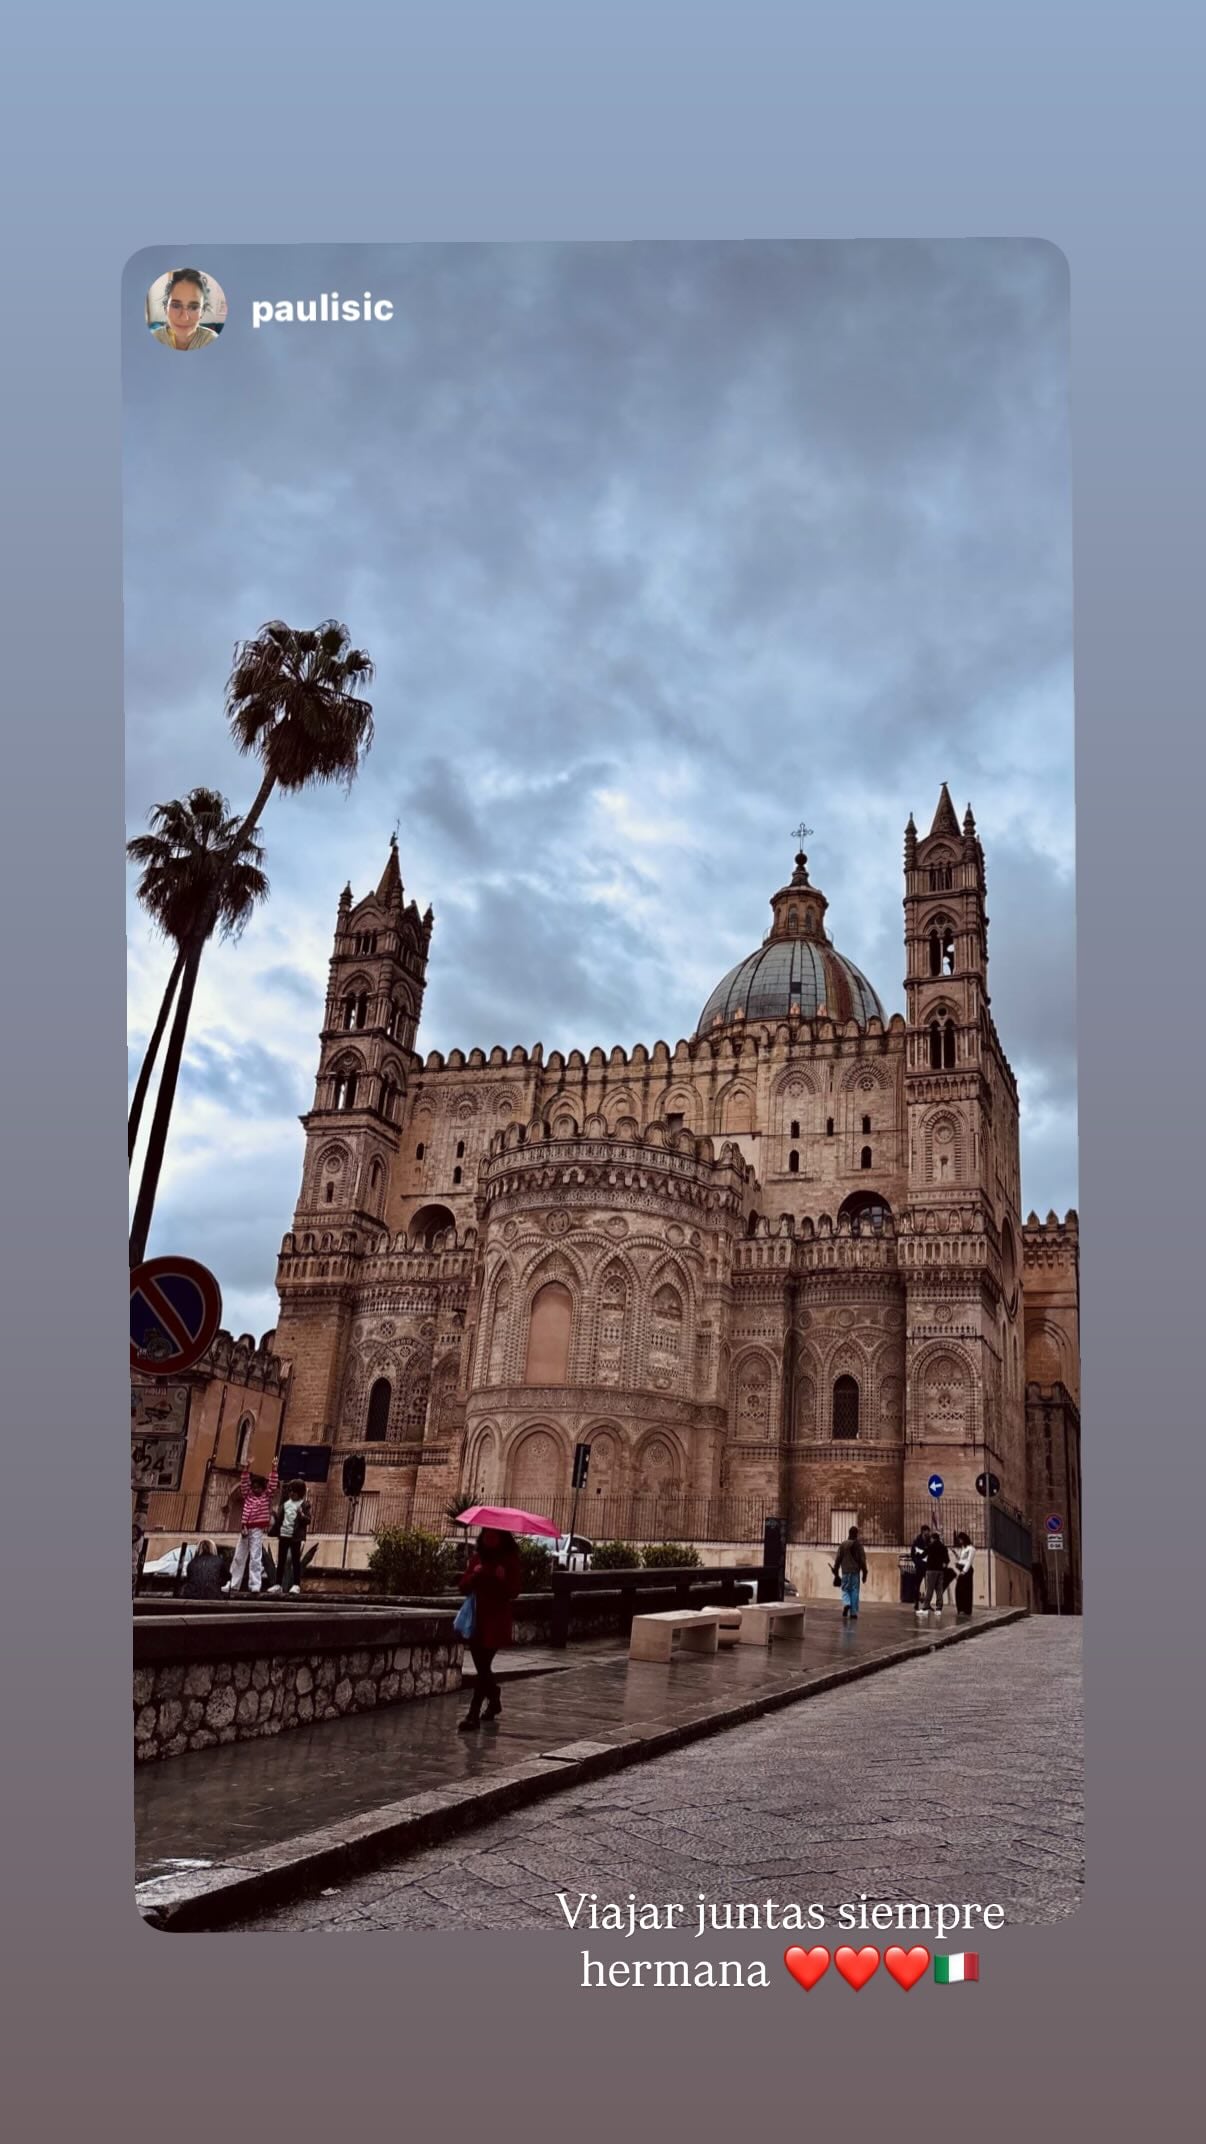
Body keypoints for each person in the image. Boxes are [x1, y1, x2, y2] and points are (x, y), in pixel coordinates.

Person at [457, 1527, 522, 1729]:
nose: (490, 1538)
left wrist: (503, 1579)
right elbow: (463, 1587)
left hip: (496, 1622)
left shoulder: (509, 1560)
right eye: (487, 1534)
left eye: (494, 1535)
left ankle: (473, 1713)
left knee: (484, 1665)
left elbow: (514, 1590)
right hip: (477, 1619)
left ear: (501, 1538)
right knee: (482, 1667)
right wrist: (474, 1575)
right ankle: (494, 1697)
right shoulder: (478, 1558)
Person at [221, 1459, 278, 1595]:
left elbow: (272, 1485)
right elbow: (244, 1484)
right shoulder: (248, 1495)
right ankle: (233, 1583)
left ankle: (255, 1584)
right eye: (254, 1487)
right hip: (245, 1528)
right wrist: (246, 1469)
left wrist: (274, 1470)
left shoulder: (266, 1496)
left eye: (258, 1487)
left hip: (257, 1529)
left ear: (263, 1488)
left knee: (255, 1557)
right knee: (238, 1556)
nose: (255, 1489)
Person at [151, 267, 219, 350]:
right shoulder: (154, 338)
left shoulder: (212, 340)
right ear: (165, 308)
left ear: (202, 311)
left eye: (194, 307)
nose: (184, 318)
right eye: (176, 306)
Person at [268, 1480, 312, 1595]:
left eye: (294, 1492)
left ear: (300, 1493)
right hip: (284, 1535)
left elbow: (308, 1520)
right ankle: (278, 1584)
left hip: (295, 1537)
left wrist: (301, 1515)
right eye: (290, 1491)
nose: (291, 1494)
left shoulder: (304, 1505)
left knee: (295, 1561)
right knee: (281, 1560)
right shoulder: (285, 1505)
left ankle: (296, 1585)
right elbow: (280, 1519)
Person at [831, 1525, 869, 1621]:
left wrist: (836, 1569)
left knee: (845, 1589)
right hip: (855, 1572)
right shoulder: (859, 1546)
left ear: (849, 1533)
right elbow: (862, 1560)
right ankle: (853, 1612)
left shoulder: (843, 1545)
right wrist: (864, 1573)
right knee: (854, 1591)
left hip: (845, 1572)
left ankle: (847, 1603)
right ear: (856, 1534)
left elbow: (838, 1559)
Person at [918, 1527, 949, 1615]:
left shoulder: (930, 1546)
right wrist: (943, 1565)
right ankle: (939, 1608)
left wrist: (918, 1554)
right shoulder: (943, 1547)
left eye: (931, 1539)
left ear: (933, 1539)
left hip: (931, 1570)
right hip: (940, 1570)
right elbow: (947, 1560)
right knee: (939, 1589)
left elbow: (923, 1555)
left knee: (929, 1589)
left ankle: (926, 1607)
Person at [952, 1531, 976, 1617]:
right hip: (961, 1569)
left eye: (960, 1539)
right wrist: (956, 1555)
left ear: (964, 1539)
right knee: (959, 1590)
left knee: (966, 1590)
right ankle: (960, 1609)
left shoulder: (971, 1549)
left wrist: (964, 1571)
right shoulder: (963, 1549)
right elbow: (962, 1559)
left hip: (967, 1571)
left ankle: (966, 1609)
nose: (959, 1541)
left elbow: (969, 1561)